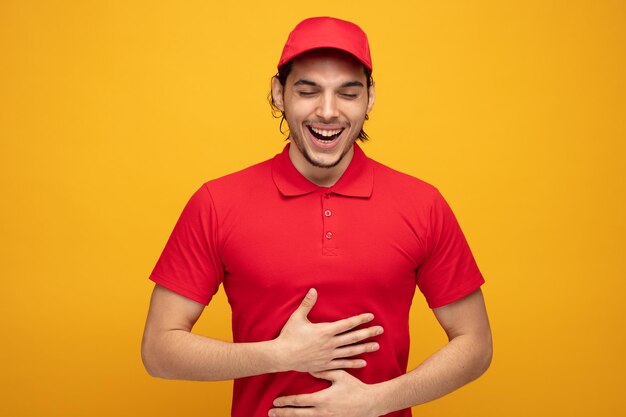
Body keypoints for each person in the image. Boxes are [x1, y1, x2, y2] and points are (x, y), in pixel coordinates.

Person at [141, 16, 492, 417]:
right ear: (279, 94)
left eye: (348, 93)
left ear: (370, 99)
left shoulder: (422, 204)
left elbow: (475, 344)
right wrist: (280, 354)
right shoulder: (217, 203)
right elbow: (159, 350)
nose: (328, 111)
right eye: (308, 91)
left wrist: (376, 401)